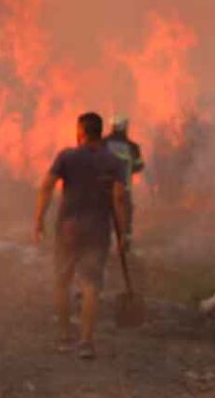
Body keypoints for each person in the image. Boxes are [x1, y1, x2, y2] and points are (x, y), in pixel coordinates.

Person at [34, 112, 129, 360]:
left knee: (62, 281)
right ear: (101, 132)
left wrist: (39, 220)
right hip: (97, 229)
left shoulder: (67, 156)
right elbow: (119, 198)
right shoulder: (113, 161)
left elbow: (46, 186)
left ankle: (65, 336)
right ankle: (86, 341)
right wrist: (124, 233)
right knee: (91, 286)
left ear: (81, 132)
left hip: (68, 228)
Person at [104, 114, 144, 232]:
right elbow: (139, 166)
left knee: (103, 218)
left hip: (103, 187)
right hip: (124, 187)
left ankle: (99, 246)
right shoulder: (132, 146)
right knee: (124, 219)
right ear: (125, 127)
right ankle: (124, 245)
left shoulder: (102, 144)